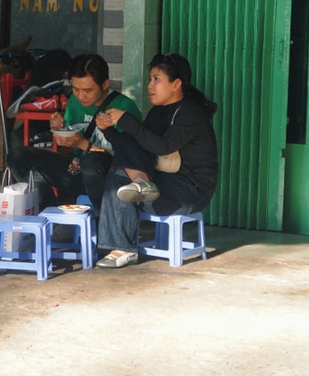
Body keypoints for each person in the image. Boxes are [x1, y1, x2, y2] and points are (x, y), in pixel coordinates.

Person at [93, 53, 218, 267]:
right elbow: (134, 145)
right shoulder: (157, 112)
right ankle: (123, 245)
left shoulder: (191, 113)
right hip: (163, 184)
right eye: (150, 79)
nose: (150, 85)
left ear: (176, 84)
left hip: (190, 190)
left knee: (120, 174)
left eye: (156, 79)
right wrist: (109, 130)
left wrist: (125, 118)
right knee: (119, 173)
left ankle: (123, 244)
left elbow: (163, 146)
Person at [7, 53, 142, 215]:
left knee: (92, 161)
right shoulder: (74, 102)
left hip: (112, 178)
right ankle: (49, 214)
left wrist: (84, 145)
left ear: (105, 84)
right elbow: (71, 144)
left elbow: (134, 158)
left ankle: (104, 222)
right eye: (75, 89)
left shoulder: (124, 107)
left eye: (87, 90)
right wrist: (59, 129)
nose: (80, 96)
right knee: (18, 156)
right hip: (78, 170)